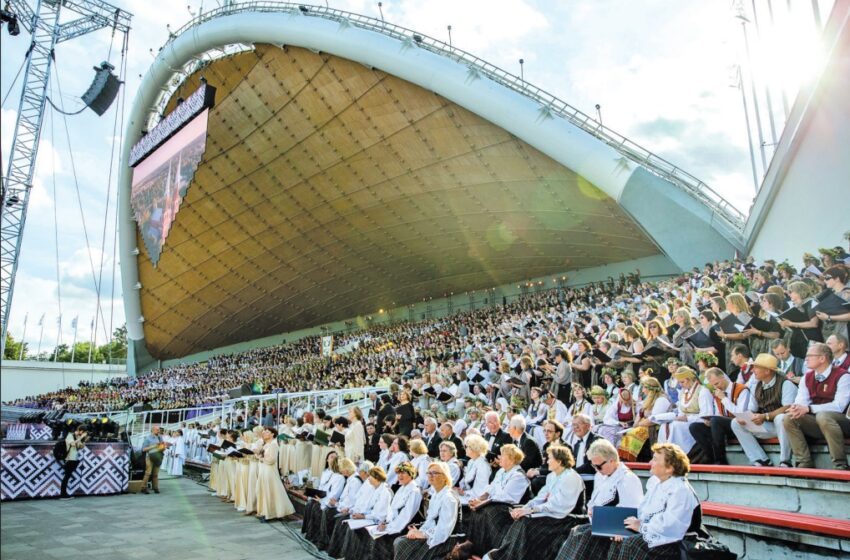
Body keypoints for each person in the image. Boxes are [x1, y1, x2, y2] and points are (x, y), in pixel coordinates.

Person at [560, 443, 698, 560]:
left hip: (674, 541)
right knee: (585, 533)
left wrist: (640, 527)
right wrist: (629, 527)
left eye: (655, 459)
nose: (650, 462)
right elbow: (643, 511)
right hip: (653, 531)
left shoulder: (680, 490)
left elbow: (672, 525)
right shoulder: (657, 483)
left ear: (669, 468)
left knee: (629, 544)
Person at [482, 445, 585, 560]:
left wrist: (531, 510)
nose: (547, 461)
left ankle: (509, 556)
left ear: (559, 461)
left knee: (527, 522)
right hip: (551, 513)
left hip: (567, 518)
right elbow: (540, 497)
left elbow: (559, 506)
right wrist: (525, 508)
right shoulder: (552, 476)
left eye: (550, 458)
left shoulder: (571, 477)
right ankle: (506, 554)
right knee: (522, 517)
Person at [782, 343, 850, 470]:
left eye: (810, 356)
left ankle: (840, 464)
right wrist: (796, 408)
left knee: (823, 416)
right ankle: (804, 462)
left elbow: (839, 406)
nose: (806, 358)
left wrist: (809, 409)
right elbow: (801, 401)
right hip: (820, 422)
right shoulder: (806, 377)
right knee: (789, 417)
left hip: (843, 422)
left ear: (822, 358)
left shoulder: (843, 375)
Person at [457, 444, 529, 557]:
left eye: (502, 455)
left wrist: (482, 503)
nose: (499, 457)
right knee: (476, 510)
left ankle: (485, 550)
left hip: (510, 508)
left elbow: (506, 497)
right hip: (495, 503)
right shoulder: (501, 472)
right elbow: (490, 488)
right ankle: (473, 546)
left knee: (486, 512)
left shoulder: (518, 476)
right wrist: (479, 499)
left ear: (511, 459)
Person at [729, 353, 797, 467]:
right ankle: (761, 460)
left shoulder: (786, 383)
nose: (752, 370)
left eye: (756, 367)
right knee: (736, 423)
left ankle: (785, 461)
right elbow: (752, 408)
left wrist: (765, 416)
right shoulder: (757, 386)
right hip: (768, 426)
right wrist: (746, 417)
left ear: (767, 371)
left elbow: (788, 408)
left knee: (781, 418)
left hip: (787, 427)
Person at [393, 461, 460, 560]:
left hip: (446, 540)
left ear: (444, 477)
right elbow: (430, 521)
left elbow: (444, 530)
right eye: (429, 473)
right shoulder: (436, 495)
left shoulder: (448, 498)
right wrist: (418, 531)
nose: (430, 476)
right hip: (433, 533)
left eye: (435, 473)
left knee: (401, 544)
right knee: (399, 541)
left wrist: (423, 534)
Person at [689, 367, 752, 465]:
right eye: (713, 385)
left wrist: (724, 398)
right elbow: (719, 414)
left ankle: (720, 459)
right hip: (723, 426)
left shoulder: (741, 389)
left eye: (717, 383)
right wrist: (708, 421)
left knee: (716, 421)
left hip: (740, 424)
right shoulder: (717, 393)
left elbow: (741, 414)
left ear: (723, 377)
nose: (716, 387)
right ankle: (710, 457)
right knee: (695, 427)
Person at [655, 366, 712, 455]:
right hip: (684, 422)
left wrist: (687, 418)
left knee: (675, 426)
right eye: (679, 382)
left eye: (682, 382)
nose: (681, 385)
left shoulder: (703, 391)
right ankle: (662, 454)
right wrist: (678, 417)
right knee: (665, 425)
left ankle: (677, 455)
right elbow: (681, 412)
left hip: (697, 423)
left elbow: (707, 417)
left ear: (690, 379)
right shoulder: (683, 392)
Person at [254, 427, 295, 521]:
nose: (264, 433)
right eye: (264, 432)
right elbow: (260, 455)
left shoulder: (273, 444)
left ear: (272, 434)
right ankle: (266, 511)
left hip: (269, 470)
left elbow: (271, 460)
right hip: (264, 469)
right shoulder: (266, 444)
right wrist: (259, 454)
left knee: (270, 491)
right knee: (265, 490)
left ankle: (270, 513)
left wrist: (260, 458)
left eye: (267, 432)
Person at [302, 450, 344, 541]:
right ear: (327, 460)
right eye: (331, 457)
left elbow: (334, 494)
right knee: (310, 503)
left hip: (328, 499)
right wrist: (314, 494)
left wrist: (321, 500)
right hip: (321, 496)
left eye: (335, 457)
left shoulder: (339, 476)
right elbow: (322, 487)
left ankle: (318, 536)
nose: (333, 459)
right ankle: (310, 532)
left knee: (316, 507)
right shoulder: (325, 472)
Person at [458, 434, 492, 505]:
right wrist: (460, 489)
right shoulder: (471, 461)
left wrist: (465, 493)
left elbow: (481, 491)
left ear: (474, 448)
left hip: (475, 499)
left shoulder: (483, 465)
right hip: (467, 494)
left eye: (466, 446)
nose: (465, 448)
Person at [60, 425, 89, 500]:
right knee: (66, 476)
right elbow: (72, 444)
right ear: (80, 430)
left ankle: (64, 494)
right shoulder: (70, 435)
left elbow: (80, 447)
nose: (83, 433)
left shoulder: (77, 437)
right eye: (83, 432)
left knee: (67, 476)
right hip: (69, 458)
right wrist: (81, 437)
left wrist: (84, 440)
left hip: (74, 459)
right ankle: (63, 495)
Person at [140, 425, 168, 495]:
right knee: (148, 473)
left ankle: (155, 488)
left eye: (158, 430)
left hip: (158, 457)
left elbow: (162, 446)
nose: (158, 431)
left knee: (155, 474)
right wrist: (153, 446)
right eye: (157, 429)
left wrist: (164, 447)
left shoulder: (160, 437)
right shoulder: (148, 438)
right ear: (152, 430)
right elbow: (143, 449)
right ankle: (143, 488)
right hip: (150, 457)